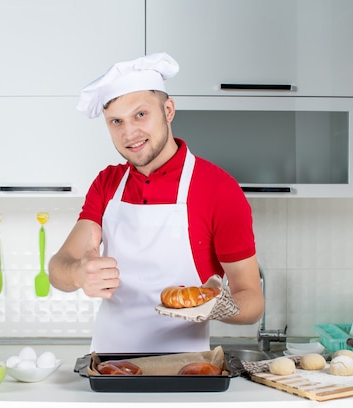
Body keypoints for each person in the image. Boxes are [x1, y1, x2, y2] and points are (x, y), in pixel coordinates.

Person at [48, 52, 263, 353]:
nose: (129, 133)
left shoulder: (219, 189)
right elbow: (58, 268)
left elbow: (252, 299)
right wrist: (78, 273)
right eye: (116, 122)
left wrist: (215, 306)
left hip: (186, 371)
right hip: (110, 369)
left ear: (168, 110)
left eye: (140, 114)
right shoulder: (107, 184)